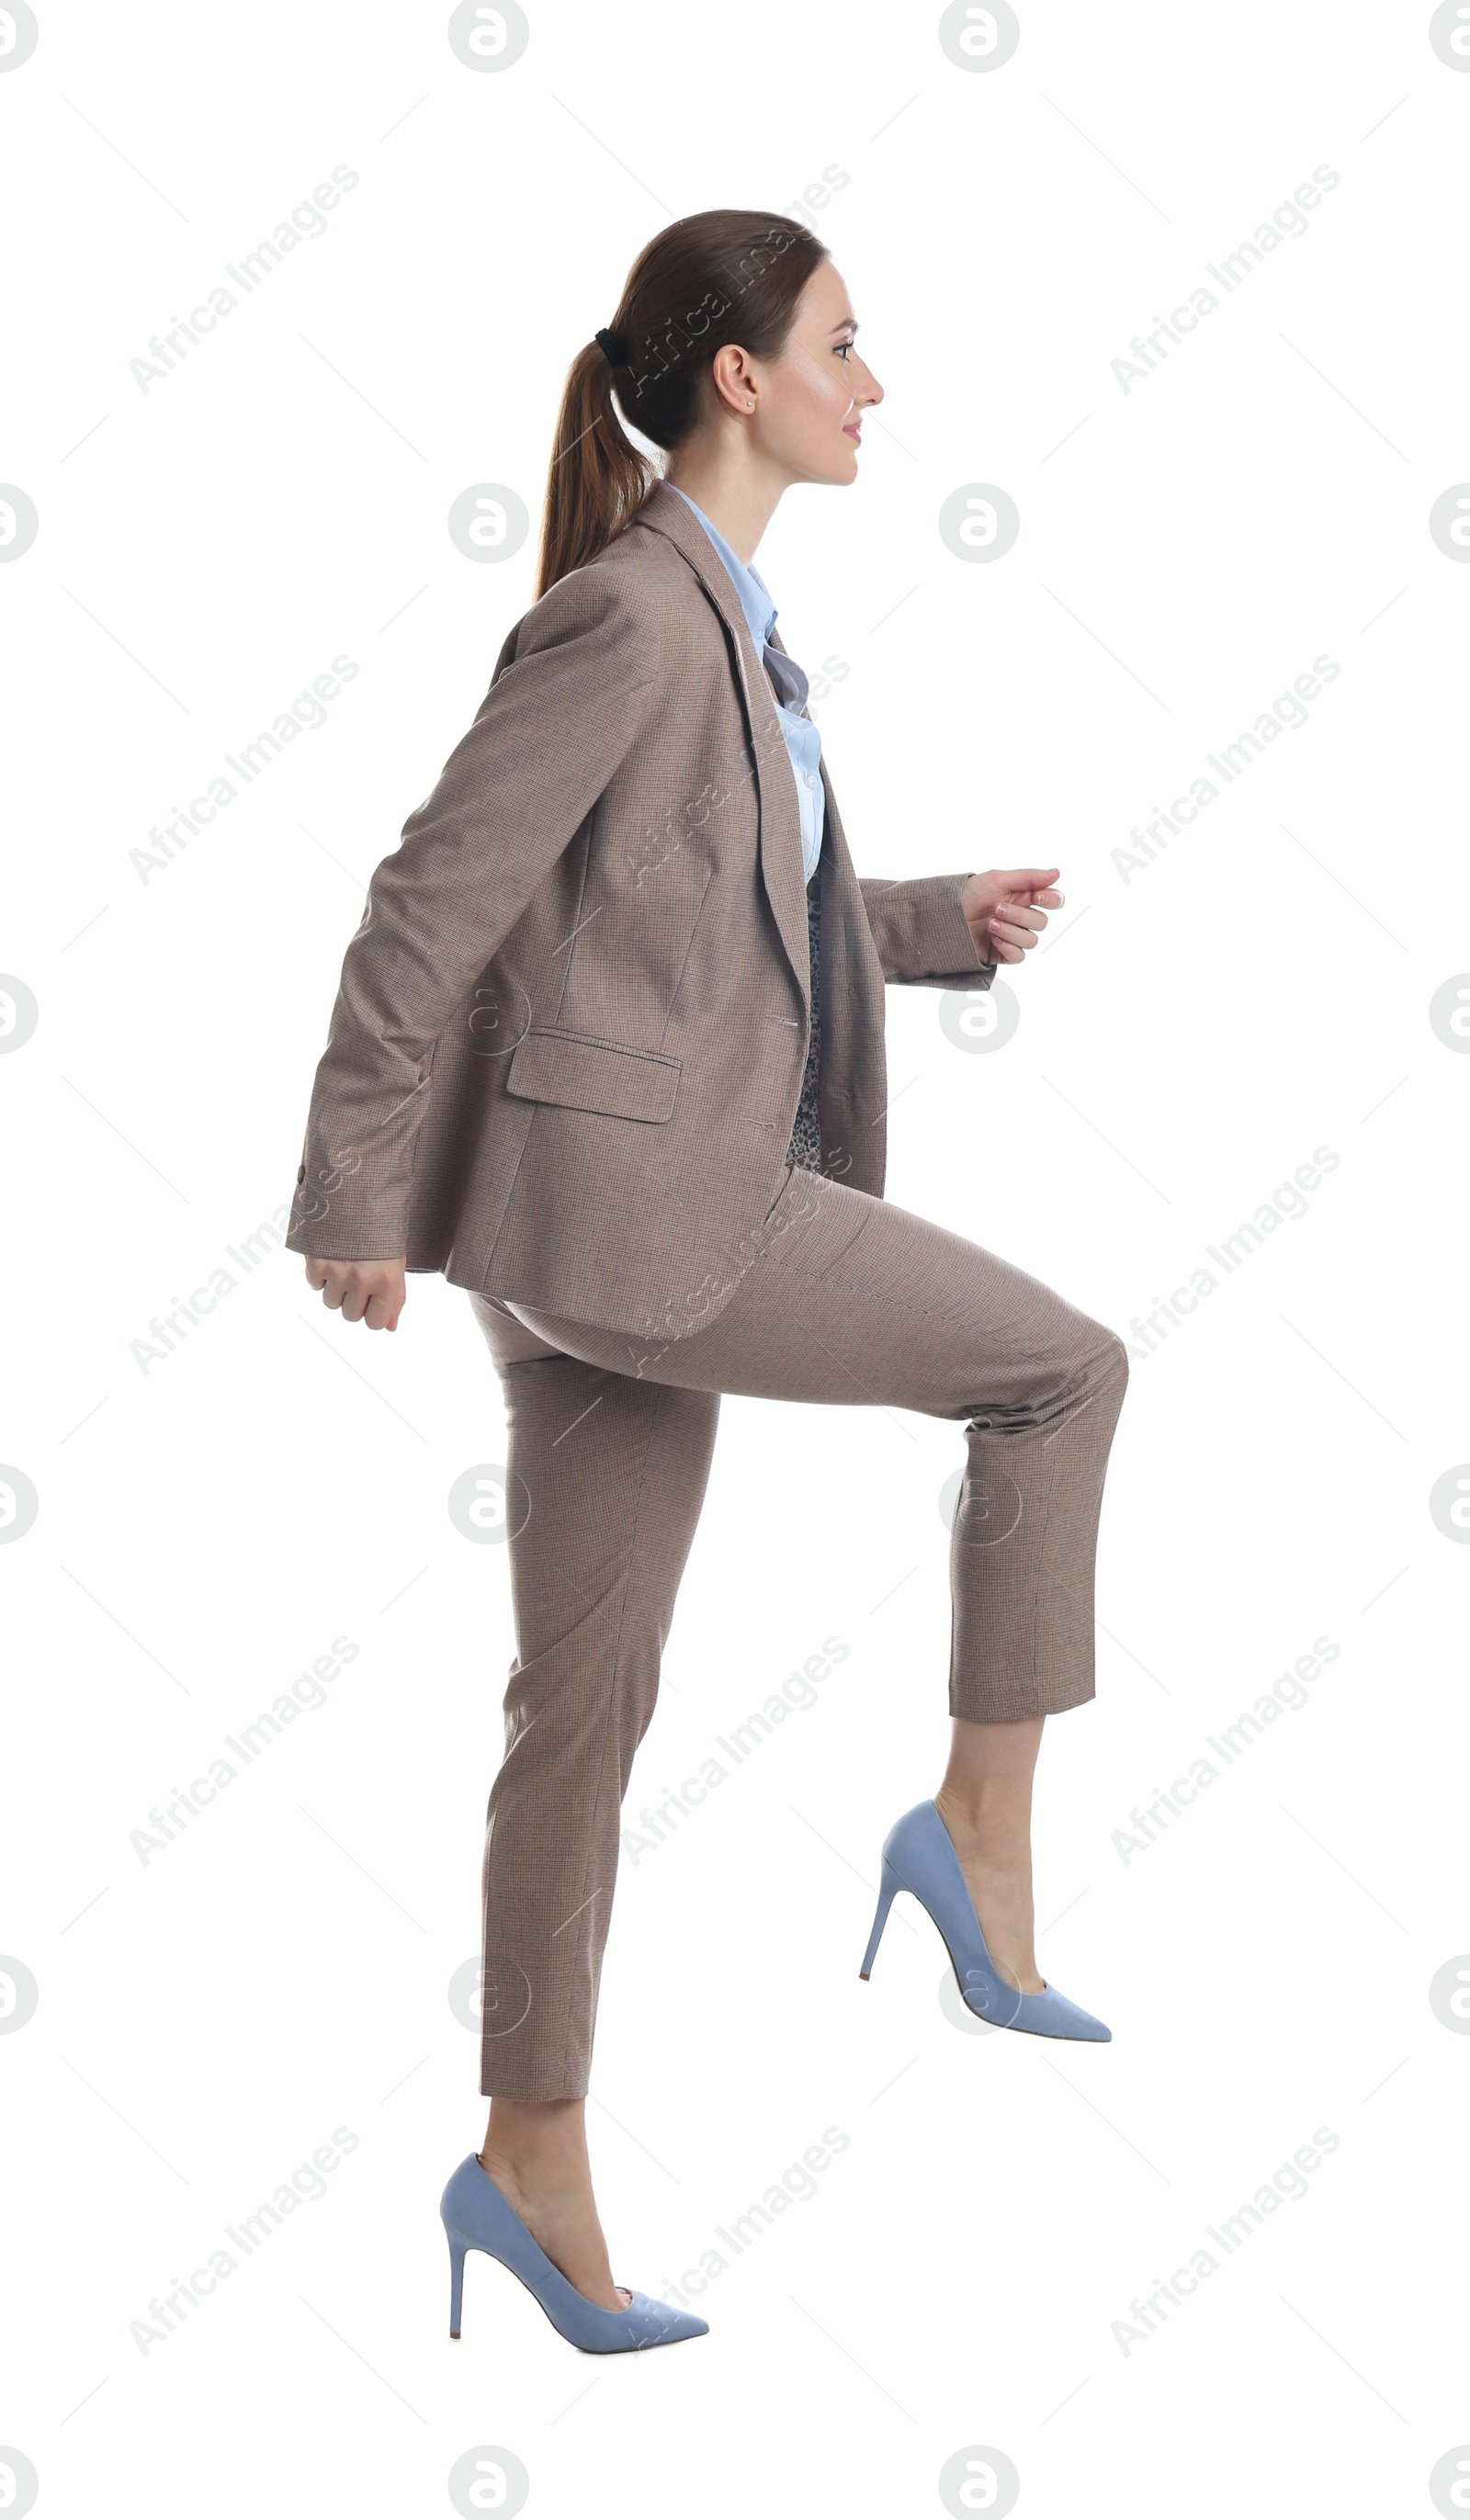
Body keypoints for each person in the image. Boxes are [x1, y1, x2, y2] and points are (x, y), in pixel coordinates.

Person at [284, 209, 1129, 2355]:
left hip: (581, 1230)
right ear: (737, 379)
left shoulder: (719, 626)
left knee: (574, 1711)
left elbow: (691, 921)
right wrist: (350, 1191)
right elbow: (423, 905)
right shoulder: (634, 623)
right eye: (844, 344)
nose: (874, 382)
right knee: (1055, 1371)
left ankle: (525, 2154)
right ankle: (974, 1832)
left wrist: (932, 922)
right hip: (662, 1221)